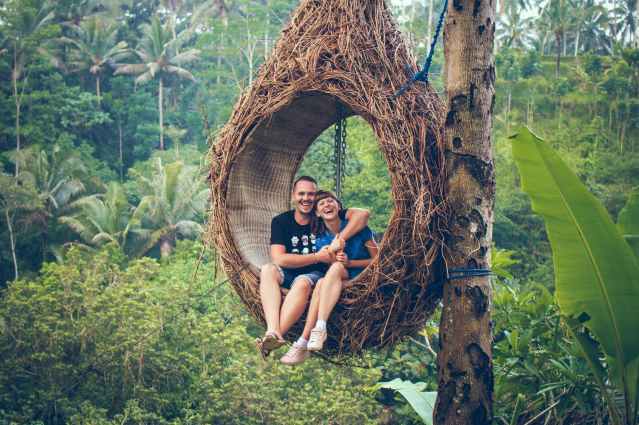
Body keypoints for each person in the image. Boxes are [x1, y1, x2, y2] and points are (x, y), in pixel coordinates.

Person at [257, 176, 370, 363]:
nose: (306, 198)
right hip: (288, 271)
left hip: (314, 274)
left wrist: (337, 240)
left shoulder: (323, 214)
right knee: (268, 269)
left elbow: (363, 215)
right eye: (301, 194)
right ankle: (272, 330)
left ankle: (277, 335)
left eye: (311, 194)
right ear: (293, 196)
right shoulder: (281, 221)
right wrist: (317, 256)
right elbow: (279, 258)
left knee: (302, 283)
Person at [281, 190, 379, 365]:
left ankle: (314, 331)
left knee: (328, 275)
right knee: (322, 281)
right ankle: (309, 337)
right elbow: (331, 263)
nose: (327, 205)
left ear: (338, 206)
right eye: (321, 204)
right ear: (317, 213)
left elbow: (378, 260)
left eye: (330, 201)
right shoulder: (320, 239)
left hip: (364, 278)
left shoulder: (359, 228)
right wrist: (335, 254)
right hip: (341, 279)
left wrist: (351, 262)